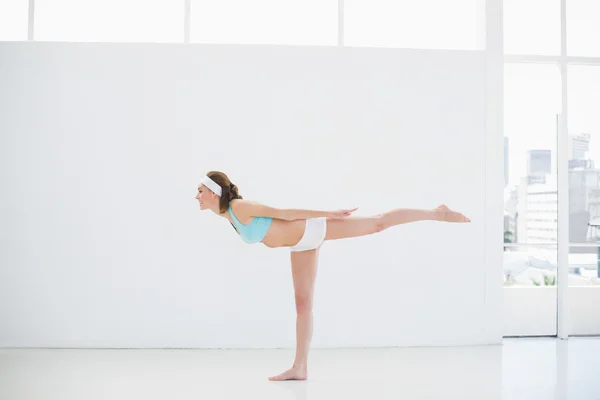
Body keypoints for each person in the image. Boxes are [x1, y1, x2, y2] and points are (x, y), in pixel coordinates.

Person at [195, 171, 471, 381]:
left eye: (200, 191)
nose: (197, 196)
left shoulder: (239, 208)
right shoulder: (227, 216)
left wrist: (327, 213)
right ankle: (299, 367)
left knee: (377, 224)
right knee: (302, 305)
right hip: (300, 244)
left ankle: (438, 213)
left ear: (213, 192)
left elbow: (285, 213)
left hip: (312, 228)